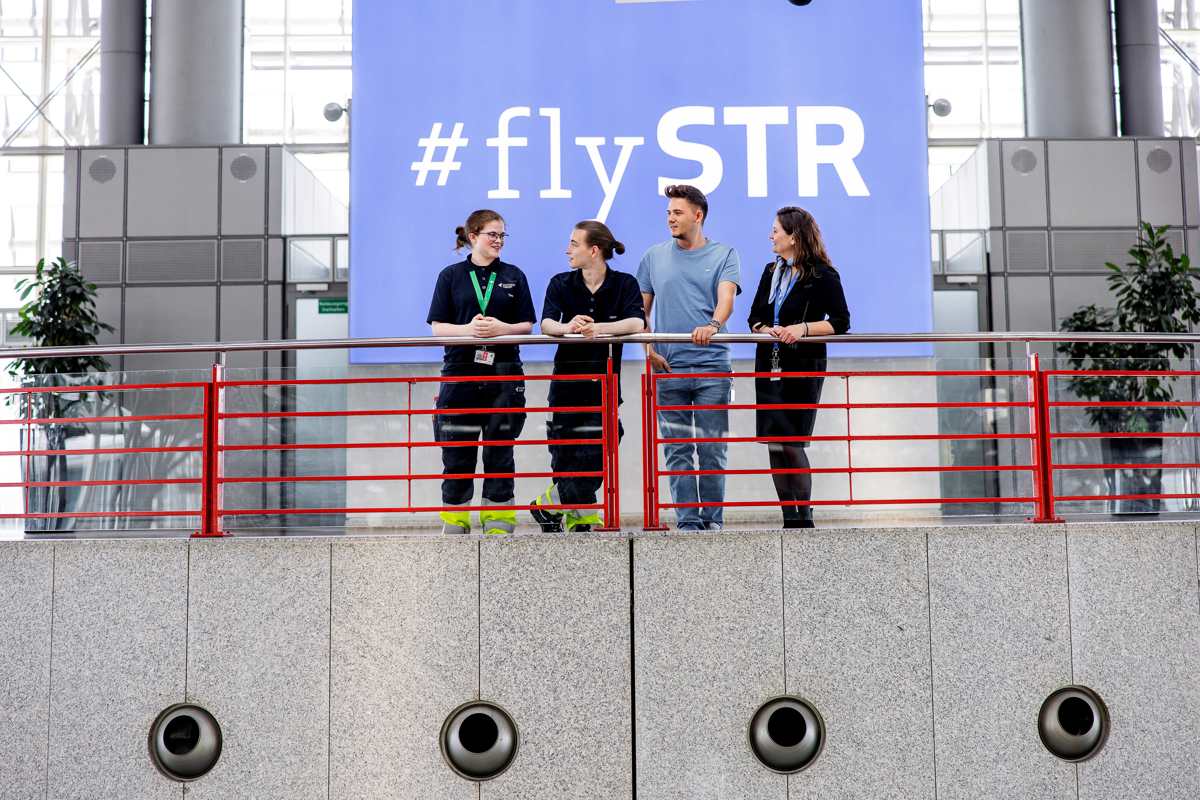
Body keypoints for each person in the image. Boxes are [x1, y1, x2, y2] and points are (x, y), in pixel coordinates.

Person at [637, 184, 741, 531]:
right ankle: (688, 523)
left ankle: (712, 523)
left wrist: (713, 324)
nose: (670, 218)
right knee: (677, 451)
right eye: (668, 212)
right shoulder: (654, 256)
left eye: (677, 212)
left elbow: (725, 300)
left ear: (698, 215)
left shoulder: (725, 254)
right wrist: (648, 350)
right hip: (669, 368)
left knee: (712, 450)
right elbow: (640, 311)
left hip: (713, 367)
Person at [531, 220, 646, 532]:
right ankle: (575, 517)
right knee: (565, 454)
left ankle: (549, 504)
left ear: (594, 250)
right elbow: (546, 325)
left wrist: (600, 329)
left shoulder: (624, 283)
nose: (567, 250)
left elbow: (636, 322)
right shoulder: (560, 283)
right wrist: (568, 327)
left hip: (605, 387)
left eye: (574, 244)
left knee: (604, 443)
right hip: (566, 387)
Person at [427, 209, 536, 534]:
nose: (498, 241)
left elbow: (527, 325)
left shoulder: (514, 275)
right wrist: (468, 331)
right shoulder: (450, 276)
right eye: (492, 234)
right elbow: (437, 328)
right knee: (457, 452)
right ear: (473, 236)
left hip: (504, 375)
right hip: (460, 374)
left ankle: (499, 522)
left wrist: (501, 328)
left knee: (500, 450)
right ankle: (455, 522)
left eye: (502, 235)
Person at [746, 206, 850, 528]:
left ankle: (804, 516)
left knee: (792, 441)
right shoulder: (770, 271)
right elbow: (754, 318)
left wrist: (802, 329)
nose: (771, 236)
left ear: (794, 236)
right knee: (774, 443)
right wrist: (765, 330)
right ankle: (787, 516)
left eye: (776, 230)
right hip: (770, 362)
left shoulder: (822, 274)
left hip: (802, 364)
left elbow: (841, 322)